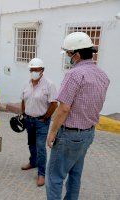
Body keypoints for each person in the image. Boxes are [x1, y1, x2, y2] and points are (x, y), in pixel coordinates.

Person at [46, 32, 110, 200]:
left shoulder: (74, 74)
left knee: (54, 177)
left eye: (69, 54)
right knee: (75, 174)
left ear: (77, 54)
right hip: (88, 133)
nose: (68, 57)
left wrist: (52, 132)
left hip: (70, 135)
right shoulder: (102, 75)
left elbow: (64, 108)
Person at [21, 58, 58, 186]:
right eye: (32, 69)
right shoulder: (27, 83)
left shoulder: (49, 84)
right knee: (31, 144)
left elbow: (54, 104)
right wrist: (23, 114)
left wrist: (46, 117)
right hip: (28, 120)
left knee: (41, 147)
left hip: (41, 121)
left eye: (36, 69)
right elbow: (23, 99)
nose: (33, 72)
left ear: (42, 70)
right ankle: (33, 162)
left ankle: (42, 174)